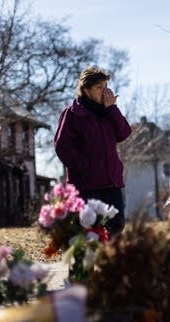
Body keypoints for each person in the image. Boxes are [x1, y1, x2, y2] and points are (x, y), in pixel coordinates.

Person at [54, 66, 131, 237]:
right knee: (88, 229)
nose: (105, 92)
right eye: (99, 87)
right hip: (86, 184)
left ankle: (108, 260)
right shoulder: (72, 114)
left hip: (111, 182)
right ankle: (89, 260)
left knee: (116, 224)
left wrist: (112, 109)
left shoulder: (108, 112)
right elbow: (62, 146)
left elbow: (124, 133)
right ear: (86, 90)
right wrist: (85, 167)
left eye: (106, 86)